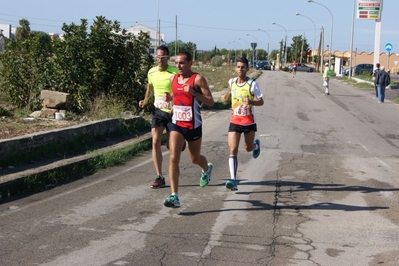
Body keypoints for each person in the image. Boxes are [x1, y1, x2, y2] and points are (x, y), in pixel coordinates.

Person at [163, 51, 215, 208]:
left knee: (194, 159)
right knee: (173, 157)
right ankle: (174, 196)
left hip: (193, 125)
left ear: (190, 63)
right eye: (176, 63)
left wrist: (194, 92)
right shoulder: (173, 79)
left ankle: (206, 168)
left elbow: (211, 102)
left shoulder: (198, 79)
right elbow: (177, 95)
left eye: (182, 63)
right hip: (177, 124)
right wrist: (170, 99)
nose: (178, 66)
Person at [138, 45, 180, 189]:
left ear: (168, 58)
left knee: (171, 146)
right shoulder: (151, 71)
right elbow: (150, 87)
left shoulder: (174, 72)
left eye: (162, 57)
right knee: (155, 142)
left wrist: (176, 104)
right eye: (157, 57)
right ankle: (159, 176)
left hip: (172, 112)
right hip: (158, 111)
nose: (159, 60)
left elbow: (179, 90)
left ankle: (179, 143)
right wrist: (145, 100)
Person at [221, 57, 264, 191]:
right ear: (235, 68)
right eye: (238, 67)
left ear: (247, 69)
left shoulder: (252, 84)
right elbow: (232, 91)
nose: (240, 69)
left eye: (243, 67)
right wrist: (227, 96)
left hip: (249, 121)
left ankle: (255, 145)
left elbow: (261, 101)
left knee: (248, 148)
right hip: (234, 121)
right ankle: (233, 180)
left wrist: (251, 102)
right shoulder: (232, 82)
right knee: (233, 150)